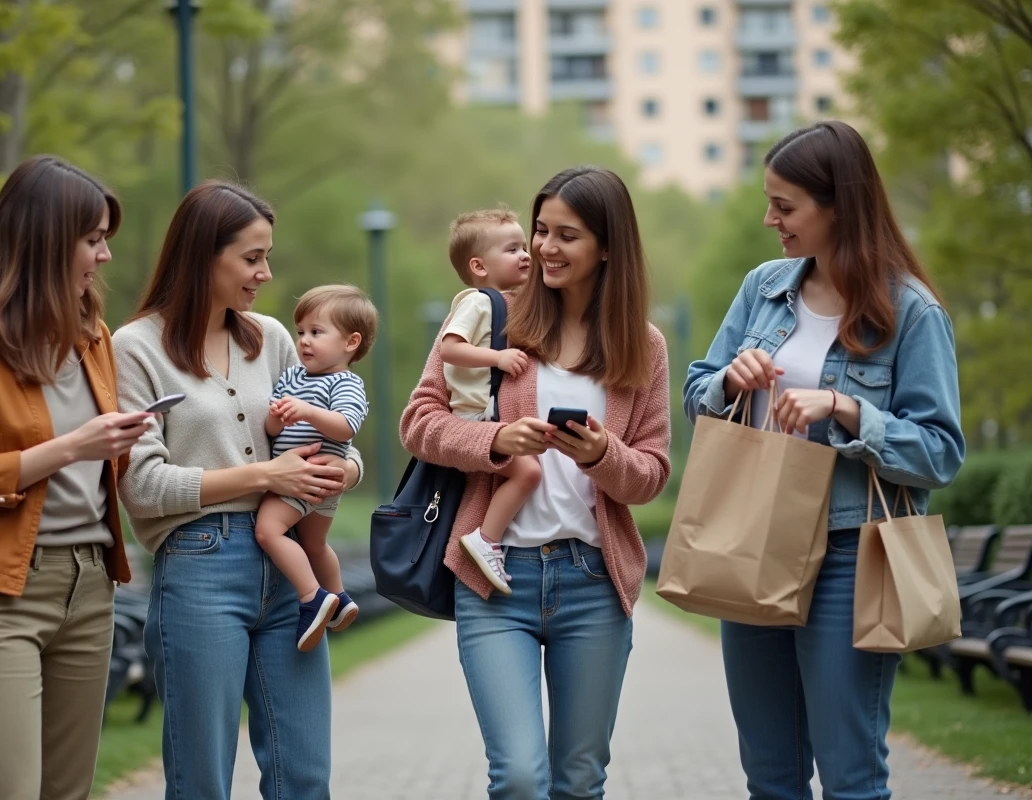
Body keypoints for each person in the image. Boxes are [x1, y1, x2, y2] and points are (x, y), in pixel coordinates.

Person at [682, 120, 965, 800]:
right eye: (769, 202)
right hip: (753, 542)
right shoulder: (763, 288)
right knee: (771, 777)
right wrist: (730, 380)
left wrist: (843, 408)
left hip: (850, 557)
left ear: (838, 204)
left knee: (851, 776)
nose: (769, 219)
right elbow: (698, 392)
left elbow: (941, 453)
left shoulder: (911, 313)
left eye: (785, 207)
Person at [400, 166, 672, 798]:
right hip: (497, 580)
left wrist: (604, 454)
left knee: (578, 780)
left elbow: (652, 475)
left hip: (593, 584)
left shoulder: (643, 346)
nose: (545, 247)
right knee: (520, 776)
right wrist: (493, 440)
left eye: (566, 235)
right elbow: (419, 422)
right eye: (541, 230)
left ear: (608, 246)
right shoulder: (496, 317)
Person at [0, 155, 151, 800]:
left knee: (64, 791)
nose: (103, 256)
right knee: (7, 790)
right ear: (45, 241)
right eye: (92, 239)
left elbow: (99, 464)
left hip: (89, 584)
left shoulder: (90, 335)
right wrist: (66, 448)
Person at [113, 180, 364, 799]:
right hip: (199, 568)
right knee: (201, 779)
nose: (265, 273)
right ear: (204, 255)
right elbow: (140, 485)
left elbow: (331, 431)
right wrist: (263, 477)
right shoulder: (135, 348)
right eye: (252, 258)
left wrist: (347, 470)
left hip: (291, 571)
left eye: (266, 256)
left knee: (303, 775)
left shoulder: (274, 337)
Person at [255, 284, 377, 650]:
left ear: (351, 342)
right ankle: (339, 599)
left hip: (304, 480)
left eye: (316, 333)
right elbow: (271, 428)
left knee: (268, 531)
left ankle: (312, 597)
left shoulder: (346, 382)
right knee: (313, 543)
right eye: (301, 332)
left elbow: (346, 426)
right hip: (310, 482)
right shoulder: (294, 378)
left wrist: (306, 411)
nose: (304, 341)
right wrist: (277, 418)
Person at [439, 207, 538, 595]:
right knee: (528, 472)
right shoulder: (478, 302)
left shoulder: (502, 302)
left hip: (484, 413)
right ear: (479, 266)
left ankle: (488, 536)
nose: (525, 254)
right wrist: (497, 358)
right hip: (474, 416)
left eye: (524, 246)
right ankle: (485, 538)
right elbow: (450, 348)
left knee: (519, 471)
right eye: (512, 249)